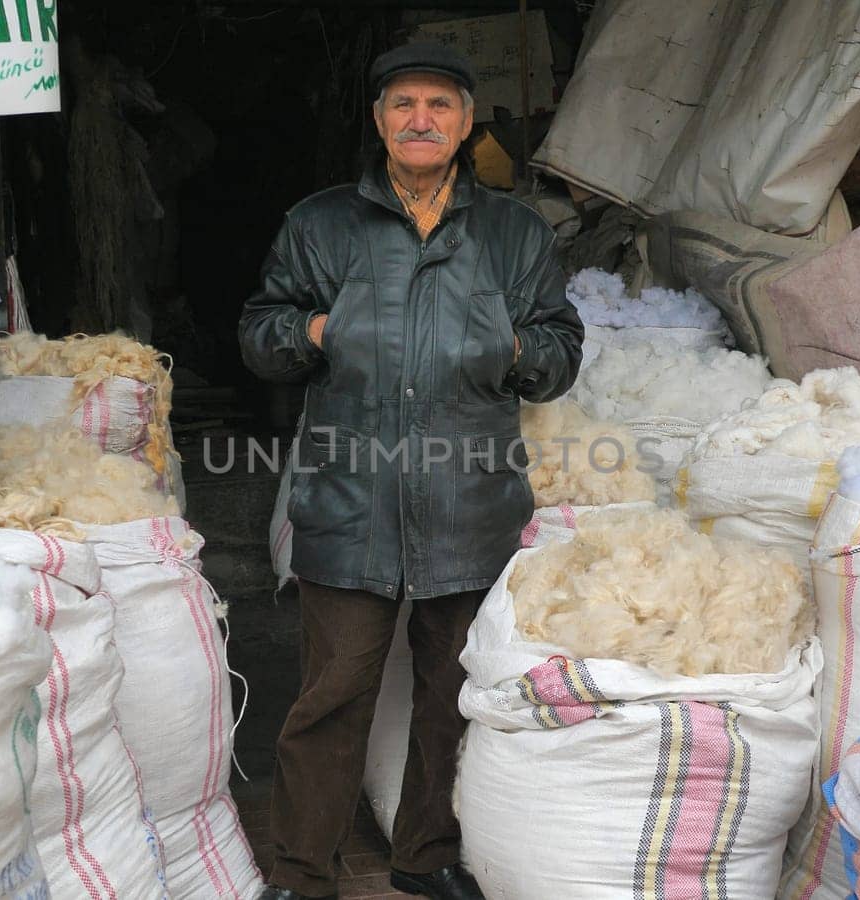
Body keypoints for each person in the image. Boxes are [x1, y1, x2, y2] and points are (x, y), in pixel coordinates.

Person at [239, 41, 584, 900]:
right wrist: (315, 333)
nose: (420, 120)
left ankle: (423, 857)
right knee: (333, 694)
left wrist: (511, 345)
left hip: (471, 499)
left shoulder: (512, 231)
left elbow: (560, 346)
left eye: (439, 105)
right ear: (379, 121)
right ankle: (301, 872)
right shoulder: (320, 224)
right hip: (349, 498)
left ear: (467, 124)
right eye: (403, 105)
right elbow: (258, 332)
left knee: (448, 695)